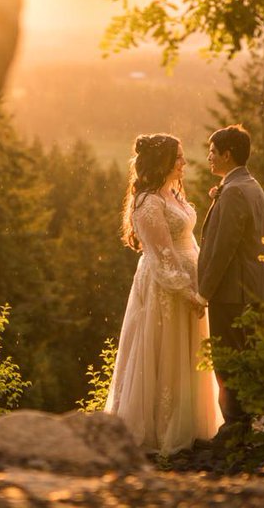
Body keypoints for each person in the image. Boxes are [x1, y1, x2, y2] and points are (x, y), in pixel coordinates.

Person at [103, 133, 223, 455]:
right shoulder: (148, 203)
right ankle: (161, 430)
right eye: (179, 158)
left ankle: (193, 425)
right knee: (165, 352)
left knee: (188, 354)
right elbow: (162, 257)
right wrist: (189, 293)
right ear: (163, 162)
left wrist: (202, 282)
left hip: (189, 282)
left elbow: (189, 241)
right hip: (165, 289)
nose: (184, 162)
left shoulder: (172, 193)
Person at [197, 124, 264, 440]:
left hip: (232, 291)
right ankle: (244, 422)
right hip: (250, 288)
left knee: (228, 358)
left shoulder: (235, 191)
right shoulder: (250, 185)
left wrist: (204, 292)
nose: (209, 157)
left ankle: (235, 427)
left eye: (213, 151)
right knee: (244, 353)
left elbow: (223, 248)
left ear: (228, 154)